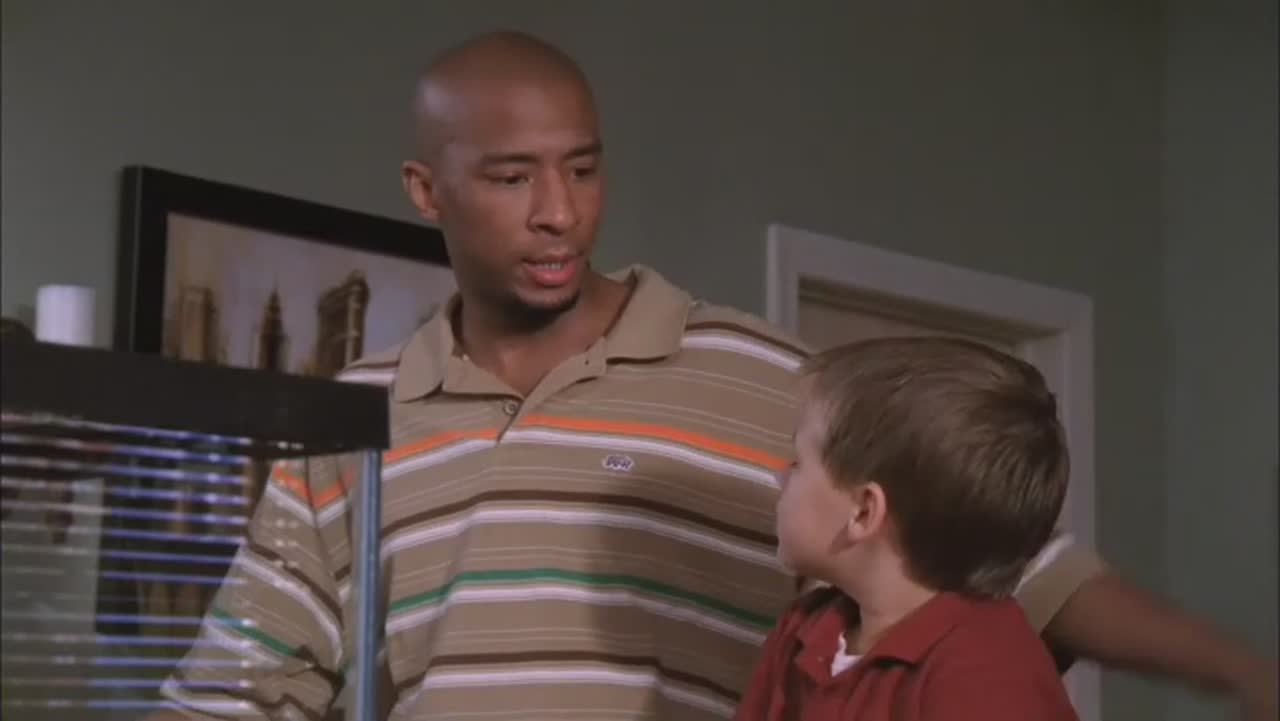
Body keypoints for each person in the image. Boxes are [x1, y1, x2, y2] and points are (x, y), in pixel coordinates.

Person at [145, 30, 1276, 721]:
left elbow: (1024, 564)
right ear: (425, 189)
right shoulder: (349, 419)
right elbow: (240, 688)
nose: (559, 212)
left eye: (583, 169)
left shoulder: (775, 385)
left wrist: (1232, 666)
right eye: (512, 177)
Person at [735, 336, 1081, 721]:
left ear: (864, 512)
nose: (780, 476)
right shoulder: (803, 631)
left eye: (798, 462)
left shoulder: (989, 673)